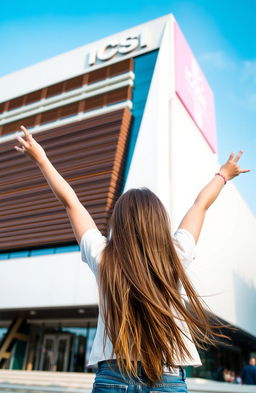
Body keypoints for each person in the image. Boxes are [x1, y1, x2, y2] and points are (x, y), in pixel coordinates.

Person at [14, 125, 250, 392]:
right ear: (159, 223)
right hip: (168, 378)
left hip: (114, 376)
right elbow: (200, 205)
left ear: (119, 222)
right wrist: (223, 175)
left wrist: (42, 159)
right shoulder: (176, 254)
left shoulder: (103, 256)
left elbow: (71, 202)